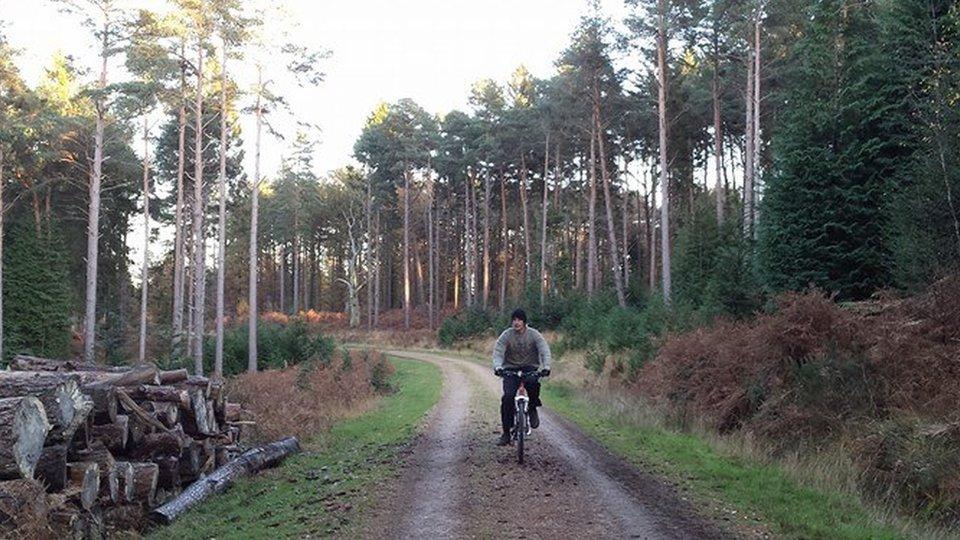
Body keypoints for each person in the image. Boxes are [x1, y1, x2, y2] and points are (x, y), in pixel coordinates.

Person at [492, 308, 552, 446]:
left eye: (519, 320)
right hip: (510, 369)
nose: (516, 322)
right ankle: (506, 433)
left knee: (533, 383)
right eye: (514, 320)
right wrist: (498, 367)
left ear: (524, 322)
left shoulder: (534, 335)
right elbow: (498, 351)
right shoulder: (507, 335)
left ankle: (532, 407)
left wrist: (546, 366)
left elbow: (544, 350)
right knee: (507, 398)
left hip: (529, 367)